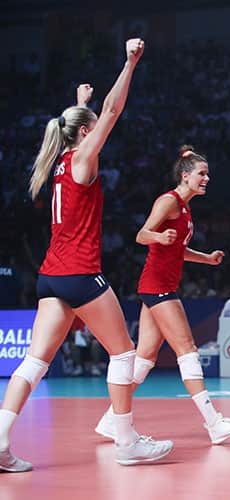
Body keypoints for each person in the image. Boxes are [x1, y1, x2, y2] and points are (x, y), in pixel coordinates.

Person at [0, 39, 174, 472]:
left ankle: (0, 442)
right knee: (123, 353)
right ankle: (127, 441)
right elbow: (113, 112)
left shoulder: (59, 159)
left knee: (35, 362)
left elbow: (75, 122)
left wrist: (80, 104)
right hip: (80, 274)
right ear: (84, 134)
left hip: (50, 275)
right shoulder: (82, 158)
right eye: (90, 128)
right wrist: (129, 63)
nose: (98, 132)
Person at [94, 146, 230, 445]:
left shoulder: (186, 209)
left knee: (144, 358)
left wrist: (206, 259)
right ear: (185, 175)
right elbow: (141, 234)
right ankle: (214, 423)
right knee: (187, 349)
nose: (207, 178)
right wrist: (158, 236)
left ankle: (112, 419)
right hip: (158, 286)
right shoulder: (169, 201)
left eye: (207, 173)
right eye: (202, 174)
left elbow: (177, 249)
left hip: (158, 285)